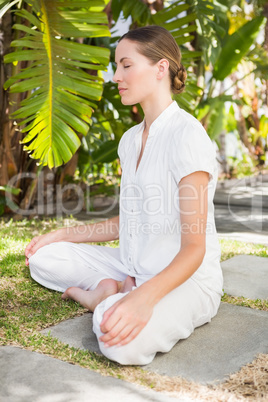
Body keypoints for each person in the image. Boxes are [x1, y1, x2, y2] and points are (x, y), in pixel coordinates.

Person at [25, 25, 223, 365]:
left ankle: (101, 300)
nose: (116, 76)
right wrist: (63, 234)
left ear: (160, 68)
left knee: (117, 341)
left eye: (126, 65)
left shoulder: (187, 137)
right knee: (44, 259)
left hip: (186, 279)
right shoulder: (129, 140)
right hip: (131, 265)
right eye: (117, 66)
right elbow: (130, 220)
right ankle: (114, 291)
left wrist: (144, 298)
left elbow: (195, 248)